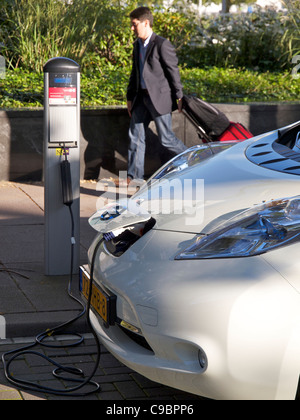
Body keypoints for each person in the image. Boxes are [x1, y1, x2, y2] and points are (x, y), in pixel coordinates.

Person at [126, 6, 187, 182]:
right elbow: (134, 73)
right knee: (135, 137)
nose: (132, 28)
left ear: (146, 23)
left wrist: (179, 95)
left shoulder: (162, 44)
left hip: (159, 98)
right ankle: (135, 179)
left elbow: (172, 71)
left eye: (134, 24)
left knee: (166, 138)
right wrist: (130, 97)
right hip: (140, 99)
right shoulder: (137, 45)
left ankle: (194, 160)